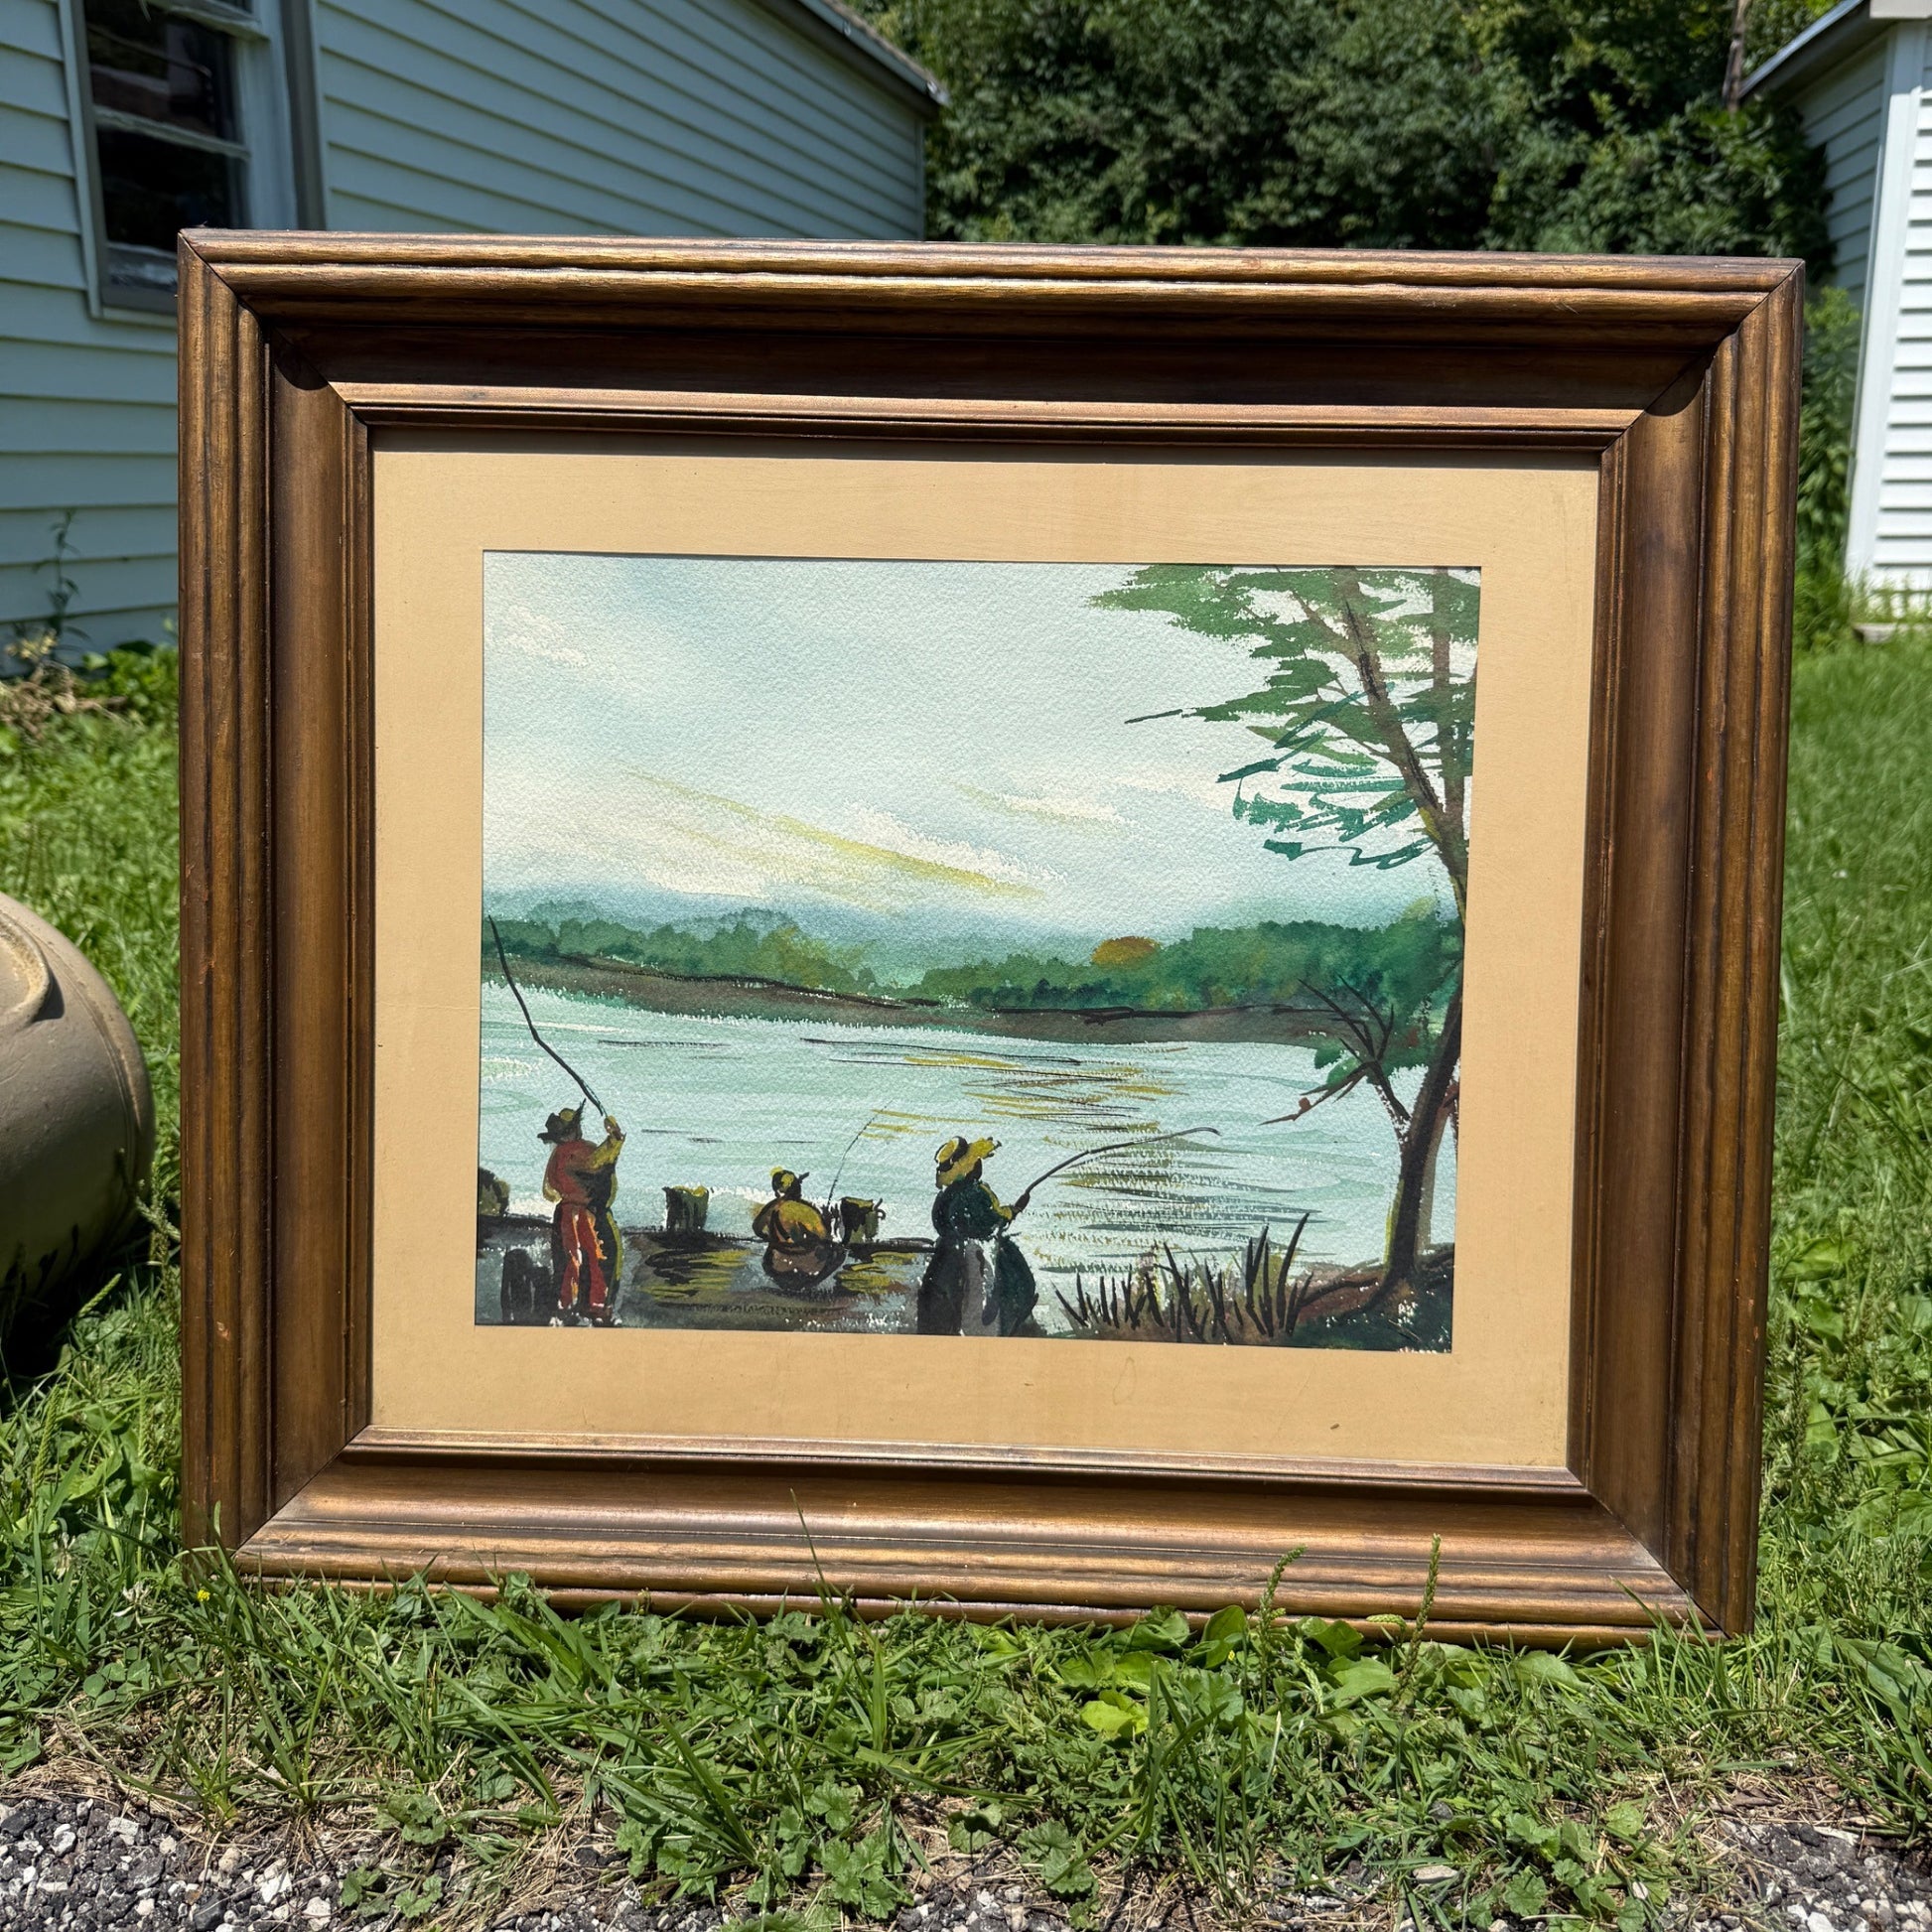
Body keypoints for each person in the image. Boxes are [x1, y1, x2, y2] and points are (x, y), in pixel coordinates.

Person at [918, 1135, 1037, 1336]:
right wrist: (1013, 1211)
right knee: (1007, 1285)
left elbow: (942, 1223)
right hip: (974, 1254)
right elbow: (991, 1221)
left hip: (946, 1254)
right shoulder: (976, 1192)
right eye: (977, 1162)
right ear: (971, 1168)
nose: (980, 1167)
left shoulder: (945, 1195)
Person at [539, 1105, 624, 1324]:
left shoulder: (558, 1154)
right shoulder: (578, 1150)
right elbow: (596, 1162)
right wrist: (614, 1140)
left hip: (568, 1212)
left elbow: (549, 1190)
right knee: (595, 1258)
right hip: (585, 1214)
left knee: (571, 1260)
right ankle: (592, 1308)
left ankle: (567, 1307)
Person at [752, 1168, 832, 1281]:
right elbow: (824, 1236)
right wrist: (827, 1222)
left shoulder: (771, 1207)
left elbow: (757, 1229)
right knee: (836, 1251)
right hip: (805, 1270)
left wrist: (770, 1238)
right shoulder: (806, 1210)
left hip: (775, 1266)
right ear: (796, 1187)